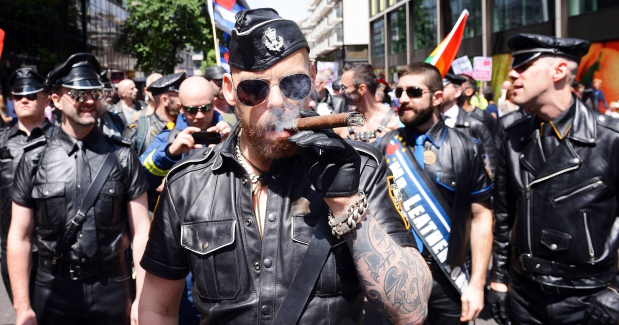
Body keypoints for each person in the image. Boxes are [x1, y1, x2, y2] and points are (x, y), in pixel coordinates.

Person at [138, 8, 432, 325]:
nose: (277, 102)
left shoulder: (362, 167)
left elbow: (412, 309)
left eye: (293, 85)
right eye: (254, 89)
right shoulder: (187, 183)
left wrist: (346, 203)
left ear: (312, 81)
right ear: (227, 89)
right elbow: (158, 308)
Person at [7, 53, 150, 324]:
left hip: (113, 287)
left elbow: (141, 232)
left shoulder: (122, 155)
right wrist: (23, 307)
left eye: (94, 91)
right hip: (53, 289)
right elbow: (20, 236)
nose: (88, 100)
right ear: (57, 100)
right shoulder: (34, 157)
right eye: (77, 92)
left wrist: (142, 299)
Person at [488, 33, 619, 325]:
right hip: (524, 295)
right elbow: (504, 215)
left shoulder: (610, 139)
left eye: (523, 65)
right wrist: (498, 279)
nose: (512, 73)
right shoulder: (512, 134)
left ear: (559, 72)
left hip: (590, 298)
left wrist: (616, 290)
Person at [376, 62, 493, 325]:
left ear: (438, 97)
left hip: (448, 278)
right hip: (396, 278)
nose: (403, 99)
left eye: (414, 92)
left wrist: (477, 284)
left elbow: (481, 218)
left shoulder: (467, 148)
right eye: (399, 92)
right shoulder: (383, 146)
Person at [1, 69, 55, 304]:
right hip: (10, 248)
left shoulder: (64, 140)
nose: (24, 99)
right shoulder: (2, 142)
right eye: (18, 95)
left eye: (32, 95)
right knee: (24, 312)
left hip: (54, 249)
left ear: (47, 99)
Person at [140, 76, 230, 212]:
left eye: (205, 108)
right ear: (180, 108)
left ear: (214, 104)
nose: (199, 115)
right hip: (183, 222)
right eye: (192, 110)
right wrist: (169, 153)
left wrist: (232, 145)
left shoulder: (234, 134)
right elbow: (138, 180)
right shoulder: (167, 138)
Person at [441, 73, 497, 175]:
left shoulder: (478, 123)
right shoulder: (430, 121)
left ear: (458, 92)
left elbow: (490, 163)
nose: (438, 91)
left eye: (443, 87)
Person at [335, 63, 400, 143]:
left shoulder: (394, 121)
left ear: (361, 89)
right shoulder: (344, 121)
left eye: (344, 87)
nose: (341, 92)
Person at [124, 72, 186, 155]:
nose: (183, 101)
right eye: (180, 97)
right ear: (164, 100)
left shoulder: (186, 125)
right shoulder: (136, 130)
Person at [97, 69, 126, 137]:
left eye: (111, 91)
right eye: (106, 92)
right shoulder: (86, 121)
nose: (111, 95)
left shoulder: (116, 119)